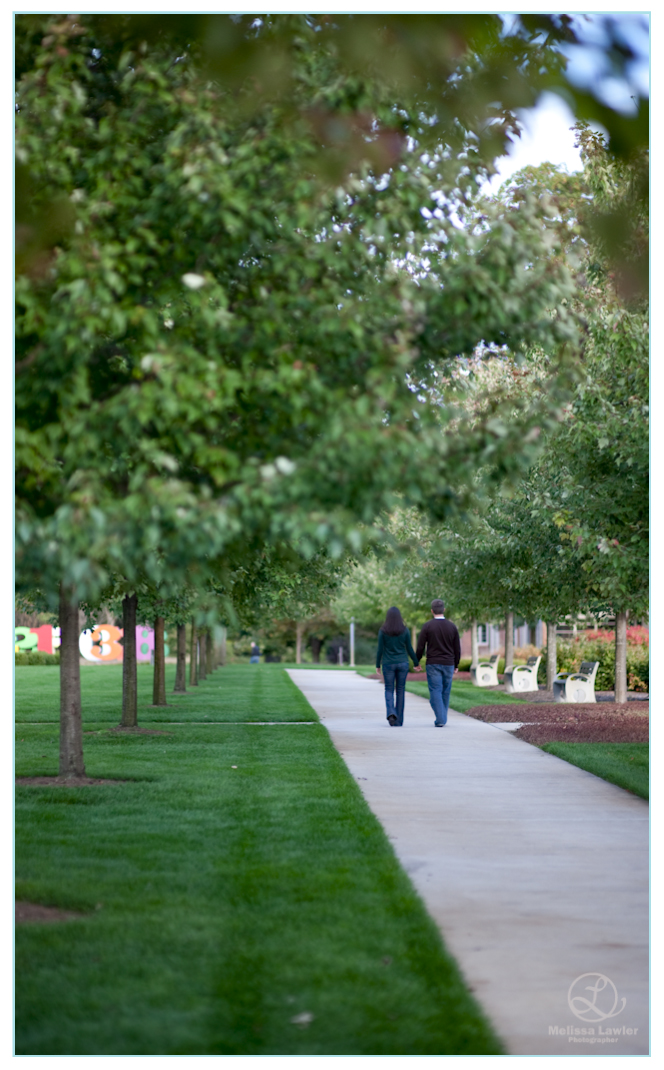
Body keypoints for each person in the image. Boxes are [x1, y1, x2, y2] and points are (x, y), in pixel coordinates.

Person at [415, 599, 460, 727]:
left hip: (433, 663)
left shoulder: (427, 626)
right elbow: (457, 648)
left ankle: (441, 718)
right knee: (445, 691)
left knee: (435, 690)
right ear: (444, 610)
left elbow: (420, 646)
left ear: (432, 611)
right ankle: (442, 717)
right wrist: (456, 664)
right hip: (448, 663)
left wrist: (417, 661)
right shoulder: (452, 626)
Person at [375, 606, 422, 726]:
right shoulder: (405, 630)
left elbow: (380, 649)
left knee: (389, 689)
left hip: (388, 664)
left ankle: (391, 712)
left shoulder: (383, 631)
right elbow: (409, 648)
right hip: (402, 663)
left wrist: (377, 665)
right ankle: (399, 720)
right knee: (400, 690)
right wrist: (416, 663)